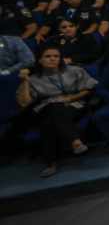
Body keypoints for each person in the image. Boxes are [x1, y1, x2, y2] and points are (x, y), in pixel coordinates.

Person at [15, 47, 94, 177]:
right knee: (52, 110)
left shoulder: (74, 70)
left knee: (48, 120)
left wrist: (70, 98)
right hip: (46, 108)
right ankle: (75, 141)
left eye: (56, 56)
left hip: (74, 105)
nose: (52, 59)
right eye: (48, 56)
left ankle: (51, 163)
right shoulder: (34, 79)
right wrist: (25, 81)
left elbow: (89, 89)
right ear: (40, 60)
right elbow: (24, 103)